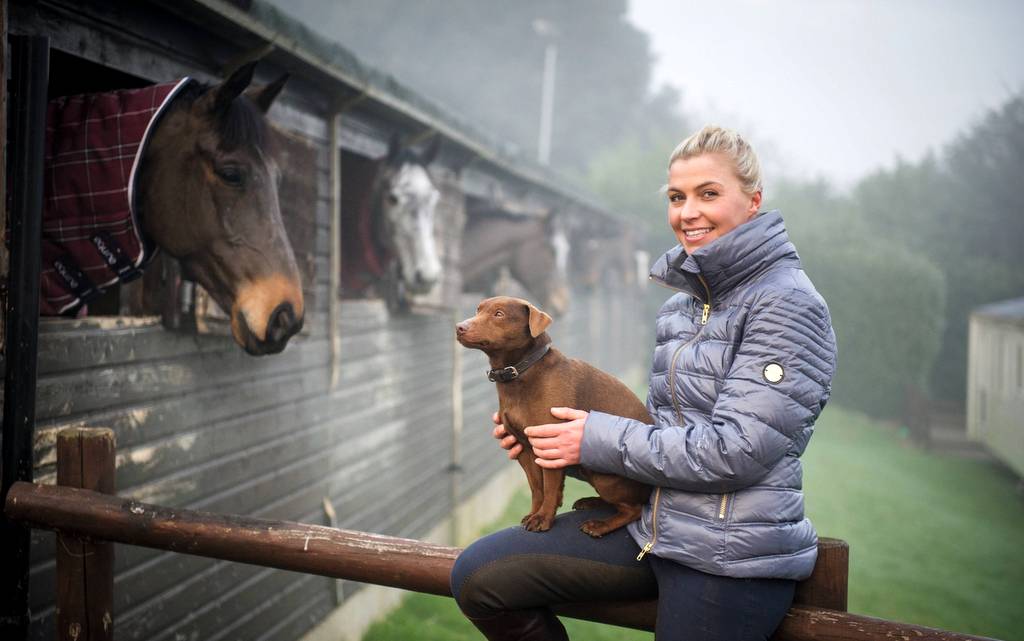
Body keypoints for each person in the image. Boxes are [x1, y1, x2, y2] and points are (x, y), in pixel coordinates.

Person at [450, 125, 838, 641]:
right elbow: (658, 432)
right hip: (650, 526)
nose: (688, 212)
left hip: (729, 553)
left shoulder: (787, 305)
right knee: (478, 578)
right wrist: (550, 440)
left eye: (708, 194)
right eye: (677, 197)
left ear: (754, 201)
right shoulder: (681, 306)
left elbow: (740, 450)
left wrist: (591, 436)